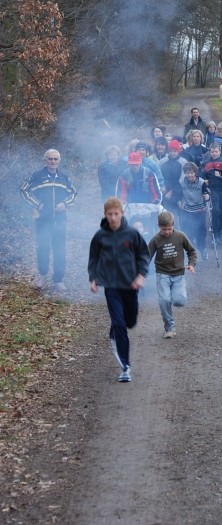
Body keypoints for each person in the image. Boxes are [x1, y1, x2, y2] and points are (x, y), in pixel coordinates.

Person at [88, 197, 149, 382]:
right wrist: (93, 279)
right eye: (109, 214)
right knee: (119, 324)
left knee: (130, 322)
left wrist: (141, 275)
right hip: (111, 286)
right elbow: (93, 258)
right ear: (105, 215)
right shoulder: (100, 236)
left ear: (122, 213)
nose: (113, 218)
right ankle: (125, 367)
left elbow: (143, 255)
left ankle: (118, 328)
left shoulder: (131, 233)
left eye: (116, 214)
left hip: (130, 285)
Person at [21, 149, 77, 291]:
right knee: (43, 247)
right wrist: (37, 204)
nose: (53, 162)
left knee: (59, 249)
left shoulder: (64, 177)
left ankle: (58, 280)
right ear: (45, 160)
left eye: (55, 159)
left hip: (59, 220)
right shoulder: (37, 176)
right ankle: (42, 276)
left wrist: (65, 204)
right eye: (50, 159)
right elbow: (24, 190)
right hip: (42, 219)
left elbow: (74, 193)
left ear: (59, 161)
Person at [148, 211, 197, 339]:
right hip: (162, 274)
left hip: (178, 274)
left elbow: (191, 251)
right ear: (159, 226)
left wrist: (191, 264)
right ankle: (169, 327)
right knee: (164, 300)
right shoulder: (155, 240)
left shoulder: (180, 236)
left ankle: (179, 292)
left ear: (173, 225)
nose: (167, 232)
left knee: (179, 301)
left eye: (169, 229)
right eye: (164, 229)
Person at [179, 162, 210, 261]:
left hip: (199, 210)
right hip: (187, 209)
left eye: (192, 173)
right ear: (185, 173)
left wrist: (207, 196)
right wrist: (179, 202)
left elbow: (206, 193)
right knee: (187, 231)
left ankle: (202, 249)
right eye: (188, 173)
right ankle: (191, 251)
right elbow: (178, 195)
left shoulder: (201, 182)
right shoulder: (181, 182)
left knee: (201, 231)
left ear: (195, 173)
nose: (190, 175)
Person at [202, 143, 222, 243]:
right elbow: (202, 175)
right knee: (215, 211)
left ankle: (219, 231)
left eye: (216, 151)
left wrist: (221, 175)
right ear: (210, 152)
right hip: (213, 189)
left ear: (220, 152)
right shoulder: (206, 163)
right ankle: (215, 234)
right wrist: (205, 180)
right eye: (212, 152)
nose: (214, 153)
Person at [159, 140, 188, 222]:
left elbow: (183, 179)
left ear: (178, 151)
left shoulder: (183, 162)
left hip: (178, 193)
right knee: (164, 215)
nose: (172, 153)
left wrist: (172, 192)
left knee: (175, 216)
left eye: (174, 151)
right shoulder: (162, 162)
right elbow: (158, 175)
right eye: (170, 151)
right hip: (164, 192)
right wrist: (162, 185)